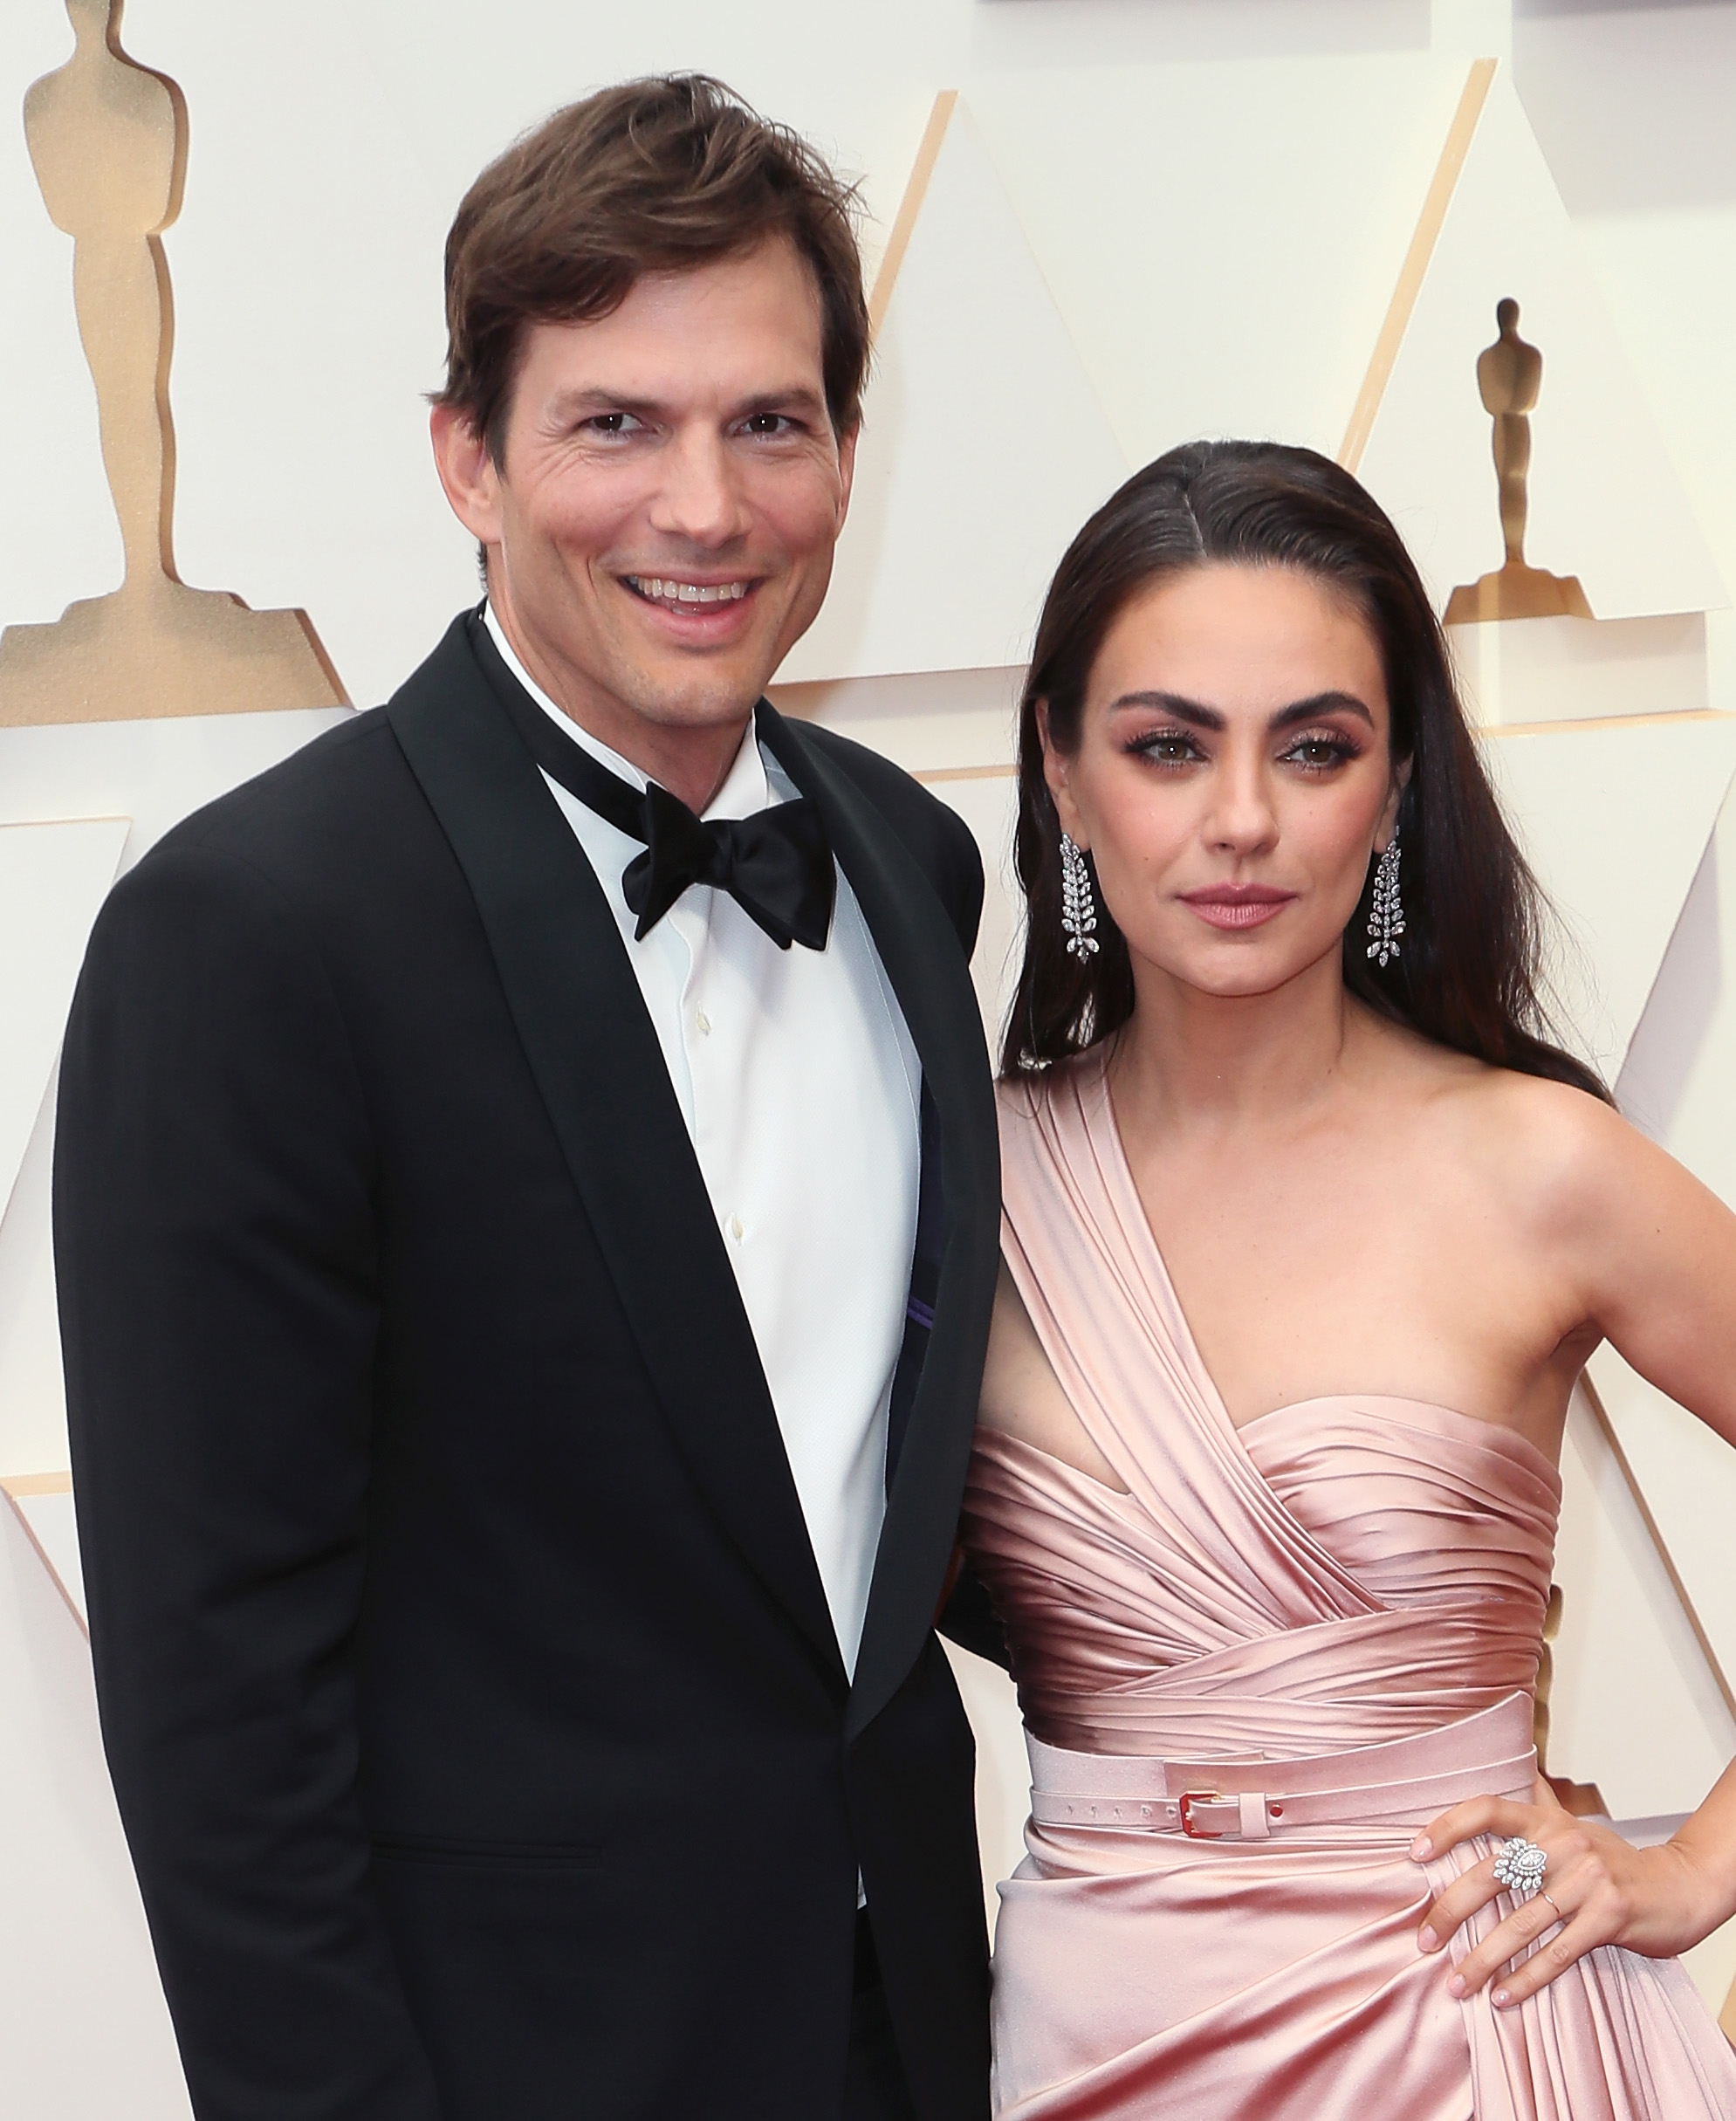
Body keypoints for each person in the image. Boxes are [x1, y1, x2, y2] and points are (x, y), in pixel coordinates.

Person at [53, 76, 1001, 2121]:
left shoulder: (912, 870)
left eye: (768, 419)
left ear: (846, 449)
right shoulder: (250, 937)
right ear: (465, 461)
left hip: (904, 2026)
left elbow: (862, 1500)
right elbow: (222, 1715)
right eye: (613, 424)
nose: (702, 508)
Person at [960, 439, 1736, 2117]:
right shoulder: (959, 1179)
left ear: (1391, 790)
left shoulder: (1539, 1168)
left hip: (1477, 2021)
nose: (1241, 820)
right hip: (1094, 2030)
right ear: (1064, 775)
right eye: (1167, 746)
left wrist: (1688, 1870)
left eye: (1313, 748)